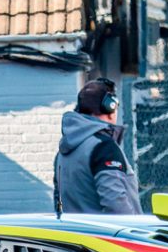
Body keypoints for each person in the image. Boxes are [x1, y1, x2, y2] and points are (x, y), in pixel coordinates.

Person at [55, 77, 142, 216]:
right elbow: (116, 205)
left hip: (76, 229)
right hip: (110, 231)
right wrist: (133, 228)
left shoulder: (63, 151)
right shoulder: (104, 147)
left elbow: (58, 202)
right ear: (110, 106)